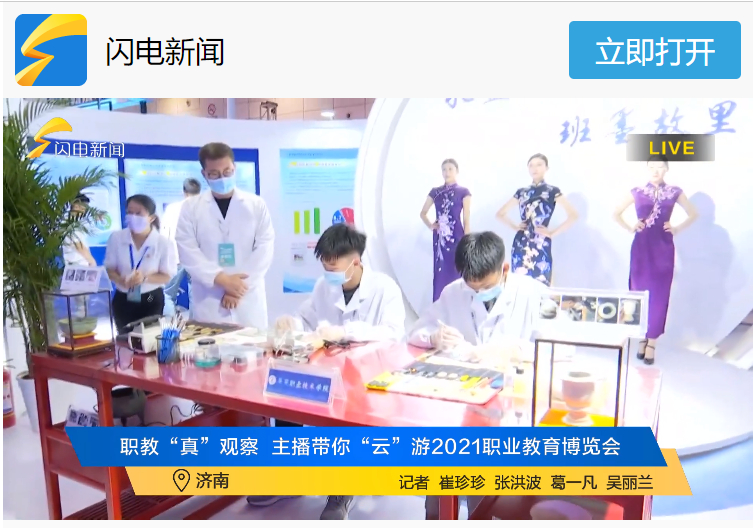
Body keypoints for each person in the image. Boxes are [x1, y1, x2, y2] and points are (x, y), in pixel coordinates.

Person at [246, 224, 405, 519]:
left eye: (334, 266)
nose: (329, 272)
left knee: (344, 416)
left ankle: (341, 489)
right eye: (325, 266)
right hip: (331, 374)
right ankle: (288, 477)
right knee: (287, 398)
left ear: (355, 261)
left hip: (369, 379)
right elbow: (305, 318)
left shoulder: (385, 289)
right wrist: (289, 322)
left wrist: (346, 332)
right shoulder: (325, 286)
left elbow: (393, 334)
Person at [408, 232, 546, 520]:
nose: (479, 292)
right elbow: (417, 332)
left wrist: (514, 350)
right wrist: (435, 337)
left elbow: (557, 347)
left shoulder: (534, 294)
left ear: (504, 269)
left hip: (509, 408)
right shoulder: (454, 292)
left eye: (486, 287)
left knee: (490, 495)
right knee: (440, 490)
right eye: (473, 287)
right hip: (460, 405)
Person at [175, 142, 274, 328]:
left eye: (227, 171)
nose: (222, 178)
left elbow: (264, 249)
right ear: (204, 174)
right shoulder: (191, 208)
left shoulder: (256, 205)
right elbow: (187, 250)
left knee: (252, 344)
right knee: (210, 344)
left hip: (247, 299)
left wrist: (237, 288)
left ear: (234, 168)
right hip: (210, 298)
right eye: (214, 174)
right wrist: (221, 280)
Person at [613, 155, 698, 365]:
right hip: (641, 249)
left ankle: (652, 342)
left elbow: (693, 213)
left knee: (659, 294)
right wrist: (630, 227)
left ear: (666, 169)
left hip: (663, 248)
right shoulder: (637, 191)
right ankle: (642, 337)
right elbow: (616, 213)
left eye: (659, 167)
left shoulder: (674, 191)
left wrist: (677, 228)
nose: (655, 170)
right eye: (651, 167)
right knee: (639, 293)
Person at [496, 153, 578, 286]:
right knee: (520, 283)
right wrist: (516, 227)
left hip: (541, 241)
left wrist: (552, 233)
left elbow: (573, 215)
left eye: (539, 165)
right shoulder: (522, 192)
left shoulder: (552, 191)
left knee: (542, 281)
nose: (535, 168)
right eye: (531, 165)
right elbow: (500, 214)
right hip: (521, 242)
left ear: (546, 168)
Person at [105, 195, 177, 333]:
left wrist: (144, 278)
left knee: (149, 338)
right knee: (125, 339)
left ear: (151, 218)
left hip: (150, 297)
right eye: (130, 212)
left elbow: (167, 275)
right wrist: (120, 280)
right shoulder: (117, 238)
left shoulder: (163, 243)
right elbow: (109, 269)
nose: (133, 217)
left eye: (138, 213)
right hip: (123, 297)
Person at [420, 159, 471, 301]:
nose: (447, 172)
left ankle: (460, 305)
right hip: (441, 238)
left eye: (450, 169)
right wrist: (431, 225)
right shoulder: (435, 192)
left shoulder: (464, 192)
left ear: (457, 171)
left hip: (458, 236)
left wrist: (468, 242)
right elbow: (423, 213)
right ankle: (439, 307)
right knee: (441, 273)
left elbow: (466, 219)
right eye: (444, 169)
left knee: (458, 270)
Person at [162, 178, 202, 316]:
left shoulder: (172, 209)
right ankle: (196, 325)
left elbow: (164, 235)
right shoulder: (204, 210)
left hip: (176, 257)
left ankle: (170, 326)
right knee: (196, 295)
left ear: (184, 192)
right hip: (196, 259)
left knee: (168, 294)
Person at [63, 194, 97, 267]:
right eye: (84, 207)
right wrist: (92, 261)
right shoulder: (71, 223)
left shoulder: (72, 222)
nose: (85, 211)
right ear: (76, 206)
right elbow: (79, 246)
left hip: (77, 264)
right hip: (78, 265)